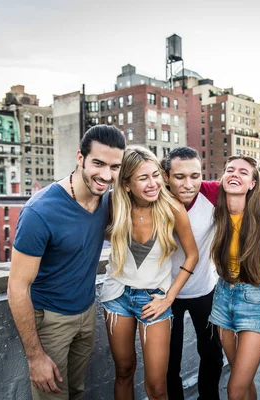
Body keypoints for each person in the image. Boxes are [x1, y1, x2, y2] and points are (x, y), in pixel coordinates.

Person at [7, 125, 126, 399]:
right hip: (51, 320)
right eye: (98, 163)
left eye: (114, 167)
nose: (106, 175)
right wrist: (35, 356)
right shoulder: (40, 211)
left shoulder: (107, 201)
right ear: (80, 158)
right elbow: (17, 287)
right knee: (53, 396)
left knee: (77, 392)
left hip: (87, 313)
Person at [100, 146, 198, 400]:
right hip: (116, 296)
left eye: (156, 175)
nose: (153, 183)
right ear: (127, 184)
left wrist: (168, 298)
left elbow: (192, 255)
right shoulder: (113, 205)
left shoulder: (173, 209)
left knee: (156, 386)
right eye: (143, 178)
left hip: (155, 300)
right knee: (123, 371)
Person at [208, 155, 260, 400]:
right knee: (244, 380)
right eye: (230, 170)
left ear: (252, 183)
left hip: (255, 298)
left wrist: (254, 262)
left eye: (243, 172)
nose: (235, 174)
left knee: (235, 388)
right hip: (222, 296)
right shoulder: (216, 209)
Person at [161, 147, 223, 400]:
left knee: (211, 354)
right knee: (169, 359)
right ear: (166, 177)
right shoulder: (155, 197)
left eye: (195, 176)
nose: (189, 184)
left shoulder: (211, 192)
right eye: (180, 177)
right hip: (165, 294)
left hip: (204, 290)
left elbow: (259, 196)